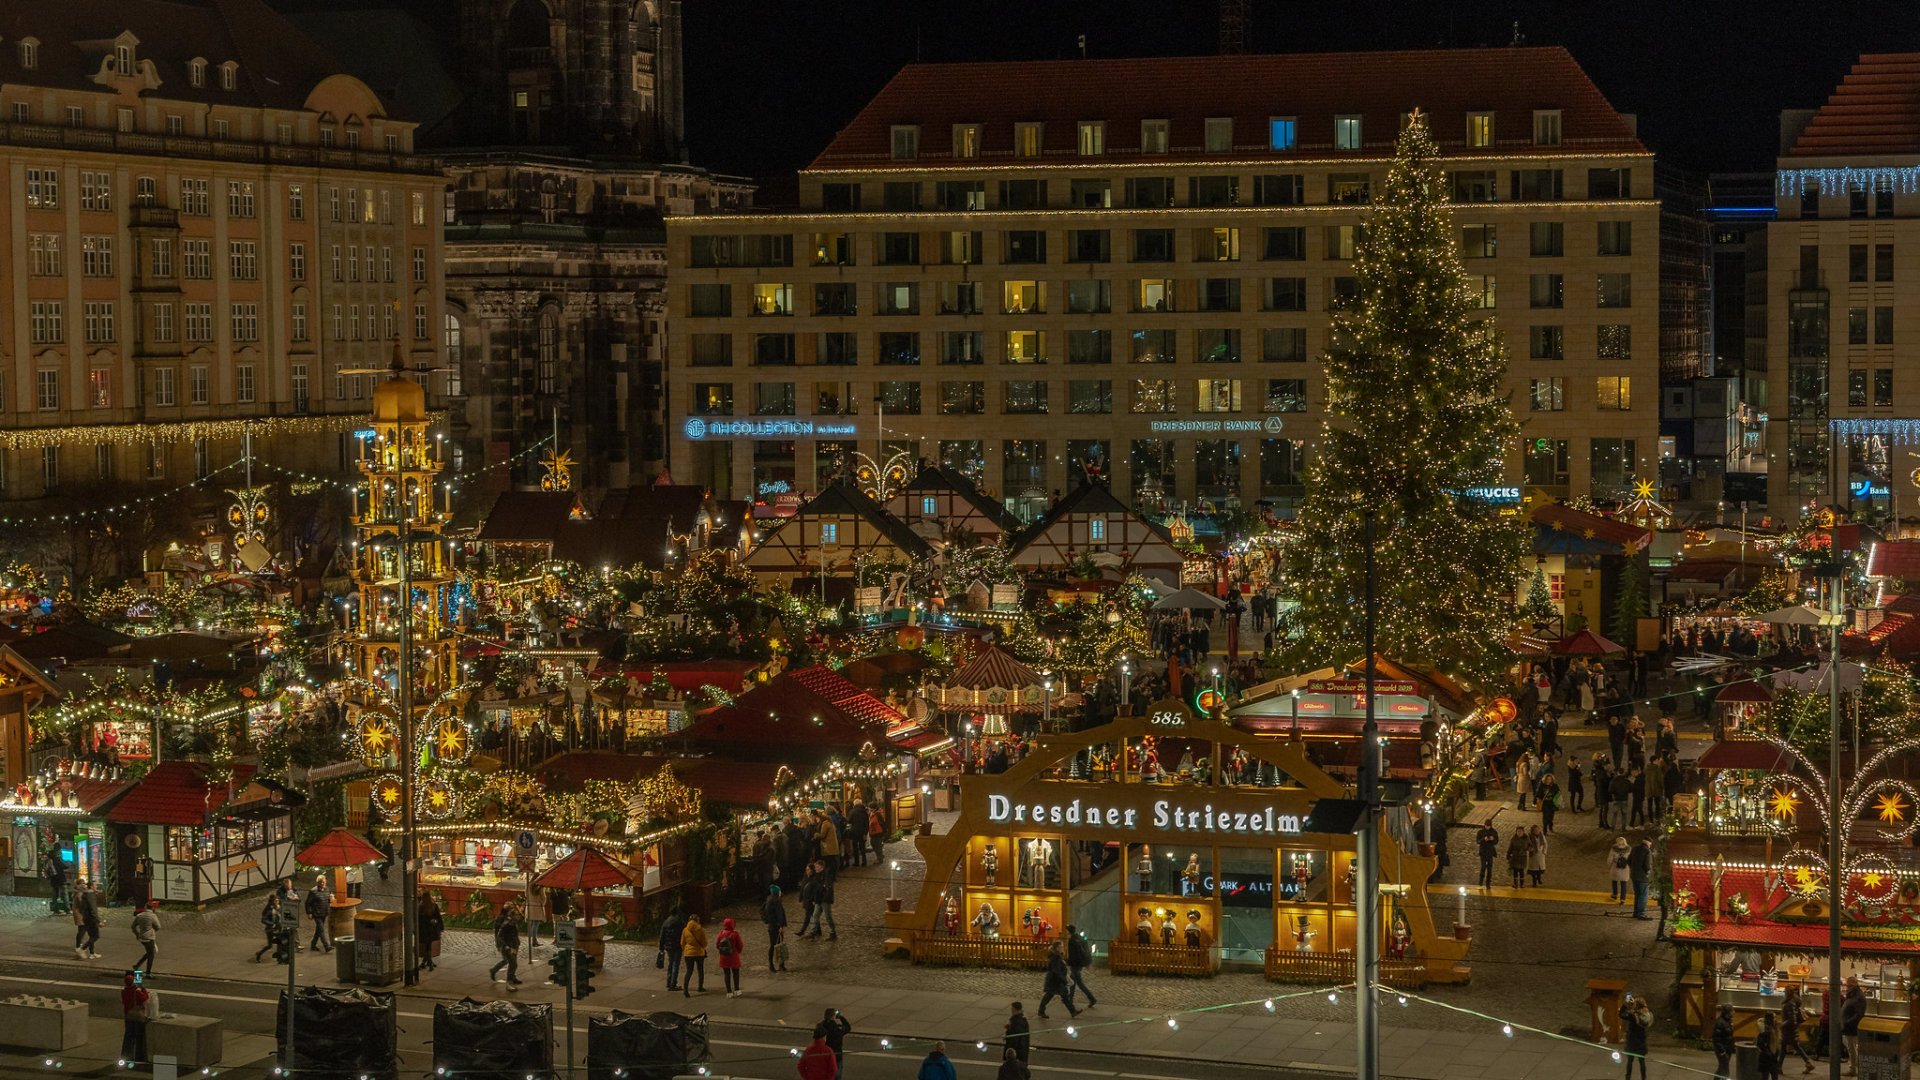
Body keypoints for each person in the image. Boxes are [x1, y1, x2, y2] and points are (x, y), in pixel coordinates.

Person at [1037, 939, 1079, 1020]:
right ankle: (1041, 1011)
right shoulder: (1055, 957)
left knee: (1063, 996)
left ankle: (1073, 1011)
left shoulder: (1057, 956)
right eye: (1060, 947)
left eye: (1062, 946)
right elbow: (1056, 970)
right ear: (1056, 948)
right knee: (1050, 995)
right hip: (1055, 980)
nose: (1062, 948)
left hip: (1056, 980)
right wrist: (1063, 979)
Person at [489, 903, 523, 989]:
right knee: (511, 962)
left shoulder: (512, 922)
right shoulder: (506, 922)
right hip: (507, 945)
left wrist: (517, 942)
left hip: (512, 944)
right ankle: (508, 980)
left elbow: (514, 933)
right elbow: (499, 934)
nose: (518, 916)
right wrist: (503, 945)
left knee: (512, 962)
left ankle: (512, 977)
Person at [1780, 985, 1813, 1074]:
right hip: (1791, 1030)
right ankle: (1808, 1063)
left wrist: (1782, 1024)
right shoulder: (1794, 1002)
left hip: (1788, 1031)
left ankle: (1778, 1067)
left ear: (1787, 993)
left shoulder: (1789, 1004)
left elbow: (1792, 1020)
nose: (1784, 993)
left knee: (1783, 1048)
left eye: (1785, 992)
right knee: (1795, 1047)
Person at [120, 972, 150, 1065]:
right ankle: (139, 1058)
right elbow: (145, 998)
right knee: (139, 1038)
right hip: (137, 1018)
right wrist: (143, 988)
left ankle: (126, 1057)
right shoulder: (136, 991)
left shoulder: (124, 992)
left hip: (128, 1017)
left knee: (128, 1038)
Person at [1064, 925, 1097, 1008]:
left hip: (1075, 964)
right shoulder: (1080, 938)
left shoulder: (1072, 940)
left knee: (1079, 983)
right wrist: (1087, 962)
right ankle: (1070, 999)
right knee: (1073, 980)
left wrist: (1068, 962)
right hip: (1080, 963)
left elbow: (1073, 954)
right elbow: (1086, 950)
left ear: (1068, 931)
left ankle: (1092, 999)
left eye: (1067, 930)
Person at [1620, 993, 1651, 1080]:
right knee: (1642, 1061)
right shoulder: (1646, 1015)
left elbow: (1621, 1014)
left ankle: (1628, 1077)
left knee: (1630, 1061)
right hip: (1641, 1041)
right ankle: (1643, 1078)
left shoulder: (1632, 1016)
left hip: (1632, 1042)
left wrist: (1626, 1004)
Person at [659, 905, 689, 991]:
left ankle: (669, 982)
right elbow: (684, 933)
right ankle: (673, 983)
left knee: (671, 963)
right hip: (677, 945)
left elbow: (662, 935)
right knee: (676, 964)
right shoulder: (679, 921)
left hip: (668, 946)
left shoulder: (666, 922)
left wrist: (661, 947)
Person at [1842, 976, 1866, 1075]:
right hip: (1848, 1026)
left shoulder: (1858, 996)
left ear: (1852, 985)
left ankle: (1853, 1069)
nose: (1846, 987)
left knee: (1852, 1048)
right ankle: (1853, 1066)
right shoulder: (1853, 994)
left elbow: (1858, 1014)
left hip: (1852, 1027)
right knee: (1850, 1047)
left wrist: (1847, 1021)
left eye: (1847, 985)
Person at [817, 1008, 851, 1077]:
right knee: (837, 1074)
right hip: (837, 1054)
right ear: (833, 1016)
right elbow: (848, 1027)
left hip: (824, 1054)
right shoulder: (837, 1029)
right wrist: (841, 1017)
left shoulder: (821, 1026)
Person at [763, 885, 790, 972]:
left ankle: (781, 964)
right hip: (773, 928)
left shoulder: (777, 900)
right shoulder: (771, 901)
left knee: (780, 945)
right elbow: (772, 916)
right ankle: (771, 965)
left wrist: (783, 925)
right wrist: (779, 926)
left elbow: (782, 913)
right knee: (773, 945)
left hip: (779, 927)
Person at [680, 913, 708, 996]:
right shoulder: (700, 929)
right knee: (700, 970)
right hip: (699, 952)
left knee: (689, 971)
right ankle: (700, 987)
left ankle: (685, 989)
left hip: (688, 953)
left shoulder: (685, 930)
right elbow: (704, 942)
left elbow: (682, 943)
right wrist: (702, 947)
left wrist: (685, 950)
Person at [305, 874, 334, 953]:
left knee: (318, 930)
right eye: (321, 882)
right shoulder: (313, 891)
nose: (322, 883)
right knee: (321, 930)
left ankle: (313, 945)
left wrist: (331, 899)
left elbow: (329, 900)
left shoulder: (327, 889)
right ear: (317, 883)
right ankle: (326, 946)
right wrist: (309, 913)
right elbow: (307, 903)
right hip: (317, 914)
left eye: (323, 882)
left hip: (324, 913)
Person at [253, 893, 286, 963]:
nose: (277, 902)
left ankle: (280, 957)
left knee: (281, 941)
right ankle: (259, 954)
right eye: (276, 901)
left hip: (278, 928)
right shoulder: (269, 910)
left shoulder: (278, 907)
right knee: (269, 945)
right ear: (272, 902)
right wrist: (272, 924)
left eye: (278, 900)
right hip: (270, 930)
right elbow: (263, 919)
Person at [717, 918, 745, 998]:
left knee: (727, 974)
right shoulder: (735, 934)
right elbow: (740, 945)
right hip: (733, 956)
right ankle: (736, 989)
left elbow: (717, 945)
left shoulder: (721, 933)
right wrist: (737, 952)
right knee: (736, 973)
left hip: (724, 957)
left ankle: (729, 992)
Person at [130, 900, 160, 974]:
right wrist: (153, 930)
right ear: (152, 908)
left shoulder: (139, 916)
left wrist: (137, 934)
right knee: (151, 954)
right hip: (150, 937)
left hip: (142, 937)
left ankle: (137, 965)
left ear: (145, 907)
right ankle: (148, 972)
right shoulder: (153, 916)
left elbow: (133, 926)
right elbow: (158, 926)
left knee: (150, 952)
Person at [417, 890, 444, 972]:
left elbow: (418, 919)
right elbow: (438, 917)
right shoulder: (433, 906)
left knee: (426, 946)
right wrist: (441, 927)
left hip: (423, 930)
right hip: (432, 930)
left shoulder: (421, 907)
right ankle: (429, 962)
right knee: (428, 946)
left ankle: (427, 962)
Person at [74, 878, 101, 959]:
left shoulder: (85, 894)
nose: (97, 886)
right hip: (90, 919)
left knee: (91, 936)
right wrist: (98, 921)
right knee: (95, 936)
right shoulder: (90, 895)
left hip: (86, 918)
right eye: (95, 885)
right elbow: (93, 909)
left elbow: (82, 907)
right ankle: (81, 949)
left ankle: (92, 953)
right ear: (92, 886)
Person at [811, 861, 837, 940]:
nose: (815, 868)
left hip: (825, 899)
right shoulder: (816, 875)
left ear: (821, 867)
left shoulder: (827, 875)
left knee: (828, 916)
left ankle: (833, 932)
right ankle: (814, 931)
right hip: (818, 899)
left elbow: (827, 887)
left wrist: (824, 894)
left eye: (817, 867)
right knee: (815, 915)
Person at [1628, 838, 1653, 919]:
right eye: (1650, 844)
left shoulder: (1634, 848)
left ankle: (1635, 913)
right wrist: (1648, 873)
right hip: (1643, 877)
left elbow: (1629, 861)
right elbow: (1647, 866)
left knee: (1637, 895)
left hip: (1634, 875)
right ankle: (1641, 914)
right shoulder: (1647, 851)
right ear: (1648, 843)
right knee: (1643, 896)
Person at [1712, 1004, 1736, 1080]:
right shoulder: (1720, 1023)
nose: (1734, 1012)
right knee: (1725, 1068)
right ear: (1728, 1012)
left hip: (1728, 1048)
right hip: (1722, 1049)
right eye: (1732, 1011)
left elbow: (1729, 1036)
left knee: (1722, 1067)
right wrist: (1722, 1051)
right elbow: (1716, 1038)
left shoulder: (1728, 1021)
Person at [1758, 1013, 1784, 1080]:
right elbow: (1760, 1044)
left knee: (1775, 1077)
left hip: (1774, 1058)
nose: (1776, 1019)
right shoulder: (1765, 1030)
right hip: (1766, 1059)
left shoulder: (1775, 1028)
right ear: (1770, 1019)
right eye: (1774, 1017)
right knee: (1764, 1077)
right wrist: (1768, 1053)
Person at [1608, 837, 1632, 904]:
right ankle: (1622, 899)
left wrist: (1609, 866)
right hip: (1625, 868)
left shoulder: (1613, 849)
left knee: (1614, 881)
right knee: (1623, 883)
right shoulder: (1629, 849)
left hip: (1615, 867)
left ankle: (1615, 895)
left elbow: (1610, 859)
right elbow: (1631, 859)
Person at [1475, 824, 1500, 889]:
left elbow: (1496, 841)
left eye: (1488, 825)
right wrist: (1484, 839)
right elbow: (1478, 841)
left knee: (1489, 869)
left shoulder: (1494, 832)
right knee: (1483, 867)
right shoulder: (1480, 832)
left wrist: (1492, 839)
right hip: (1483, 852)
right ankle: (1481, 880)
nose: (1487, 827)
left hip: (1490, 852)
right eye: (1486, 825)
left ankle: (1488, 883)